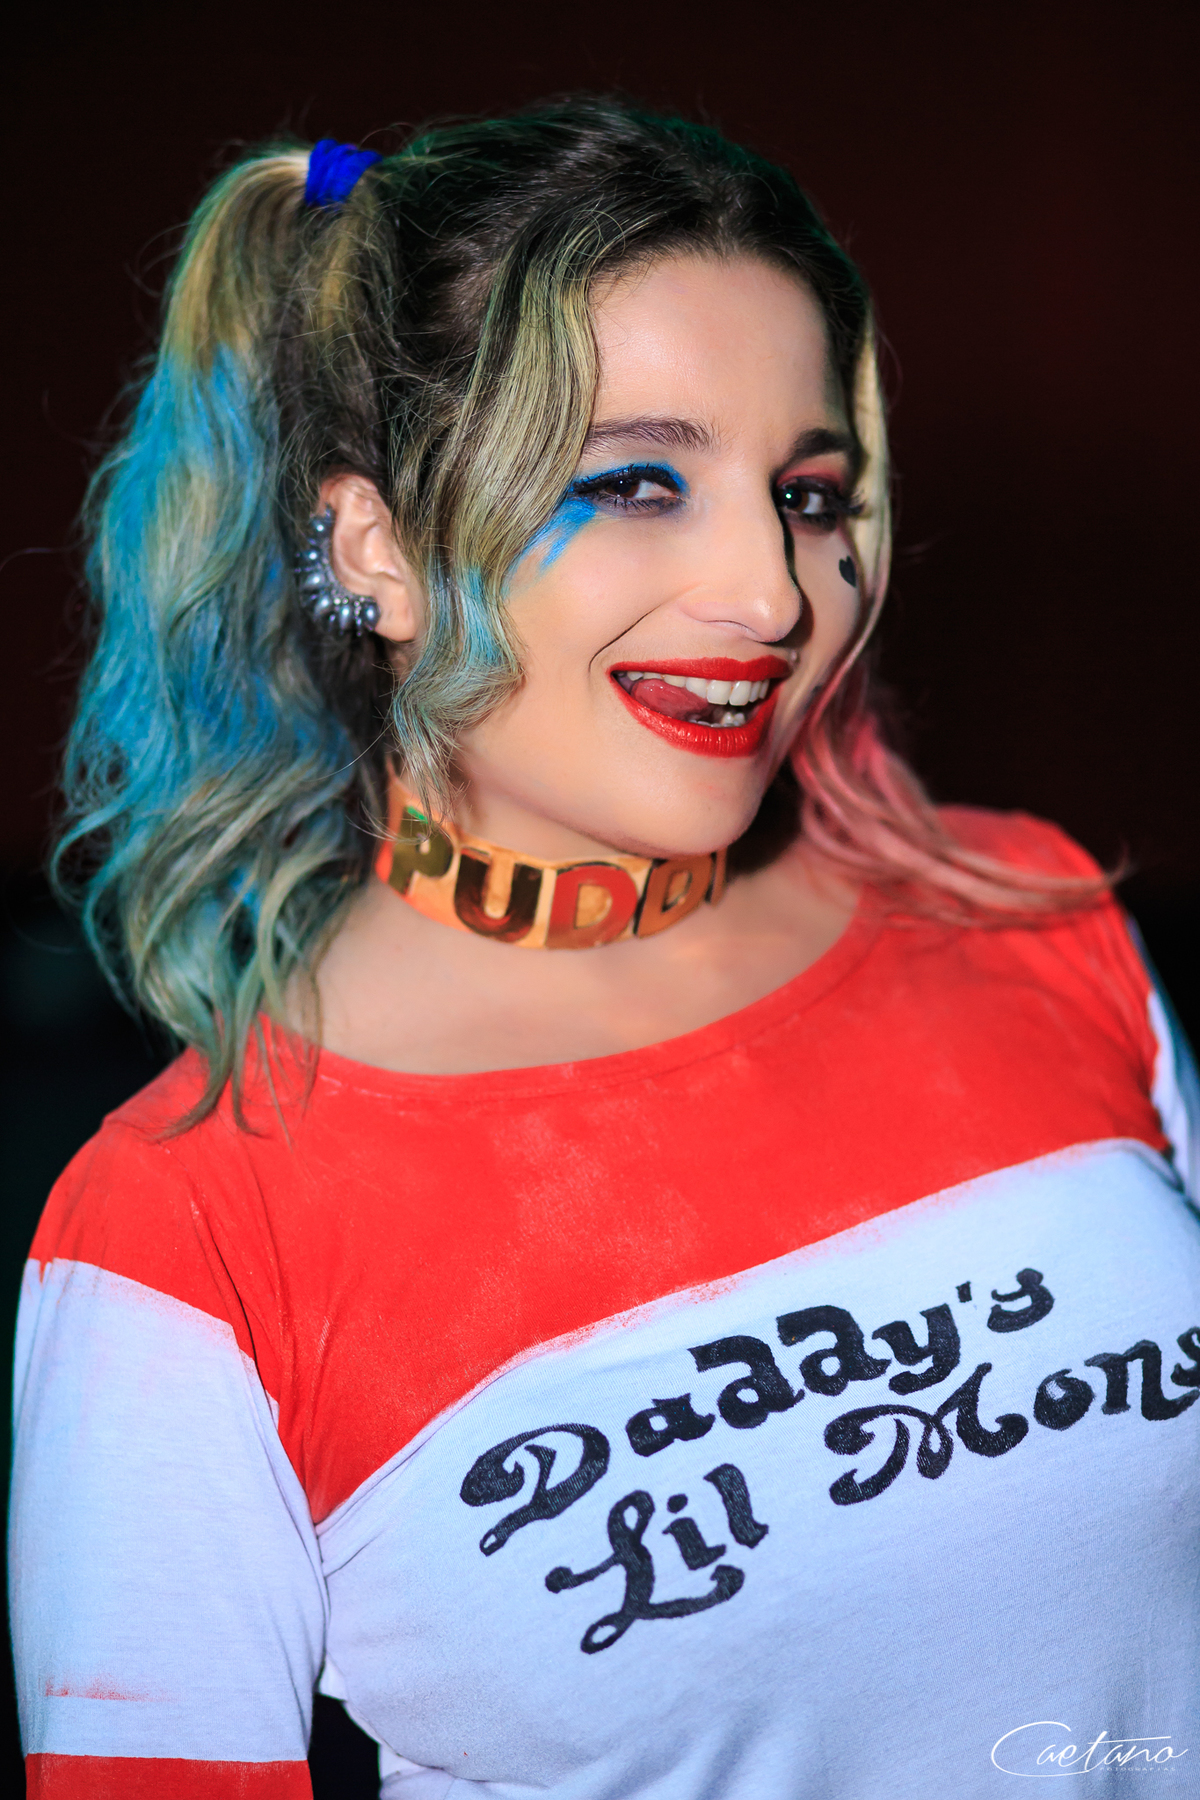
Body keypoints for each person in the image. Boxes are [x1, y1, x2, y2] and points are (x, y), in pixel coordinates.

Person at [9, 99, 1199, 1800]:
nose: (772, 595)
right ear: (377, 548)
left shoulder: (1033, 914)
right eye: (635, 483)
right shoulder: (189, 1229)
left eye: (808, 493)